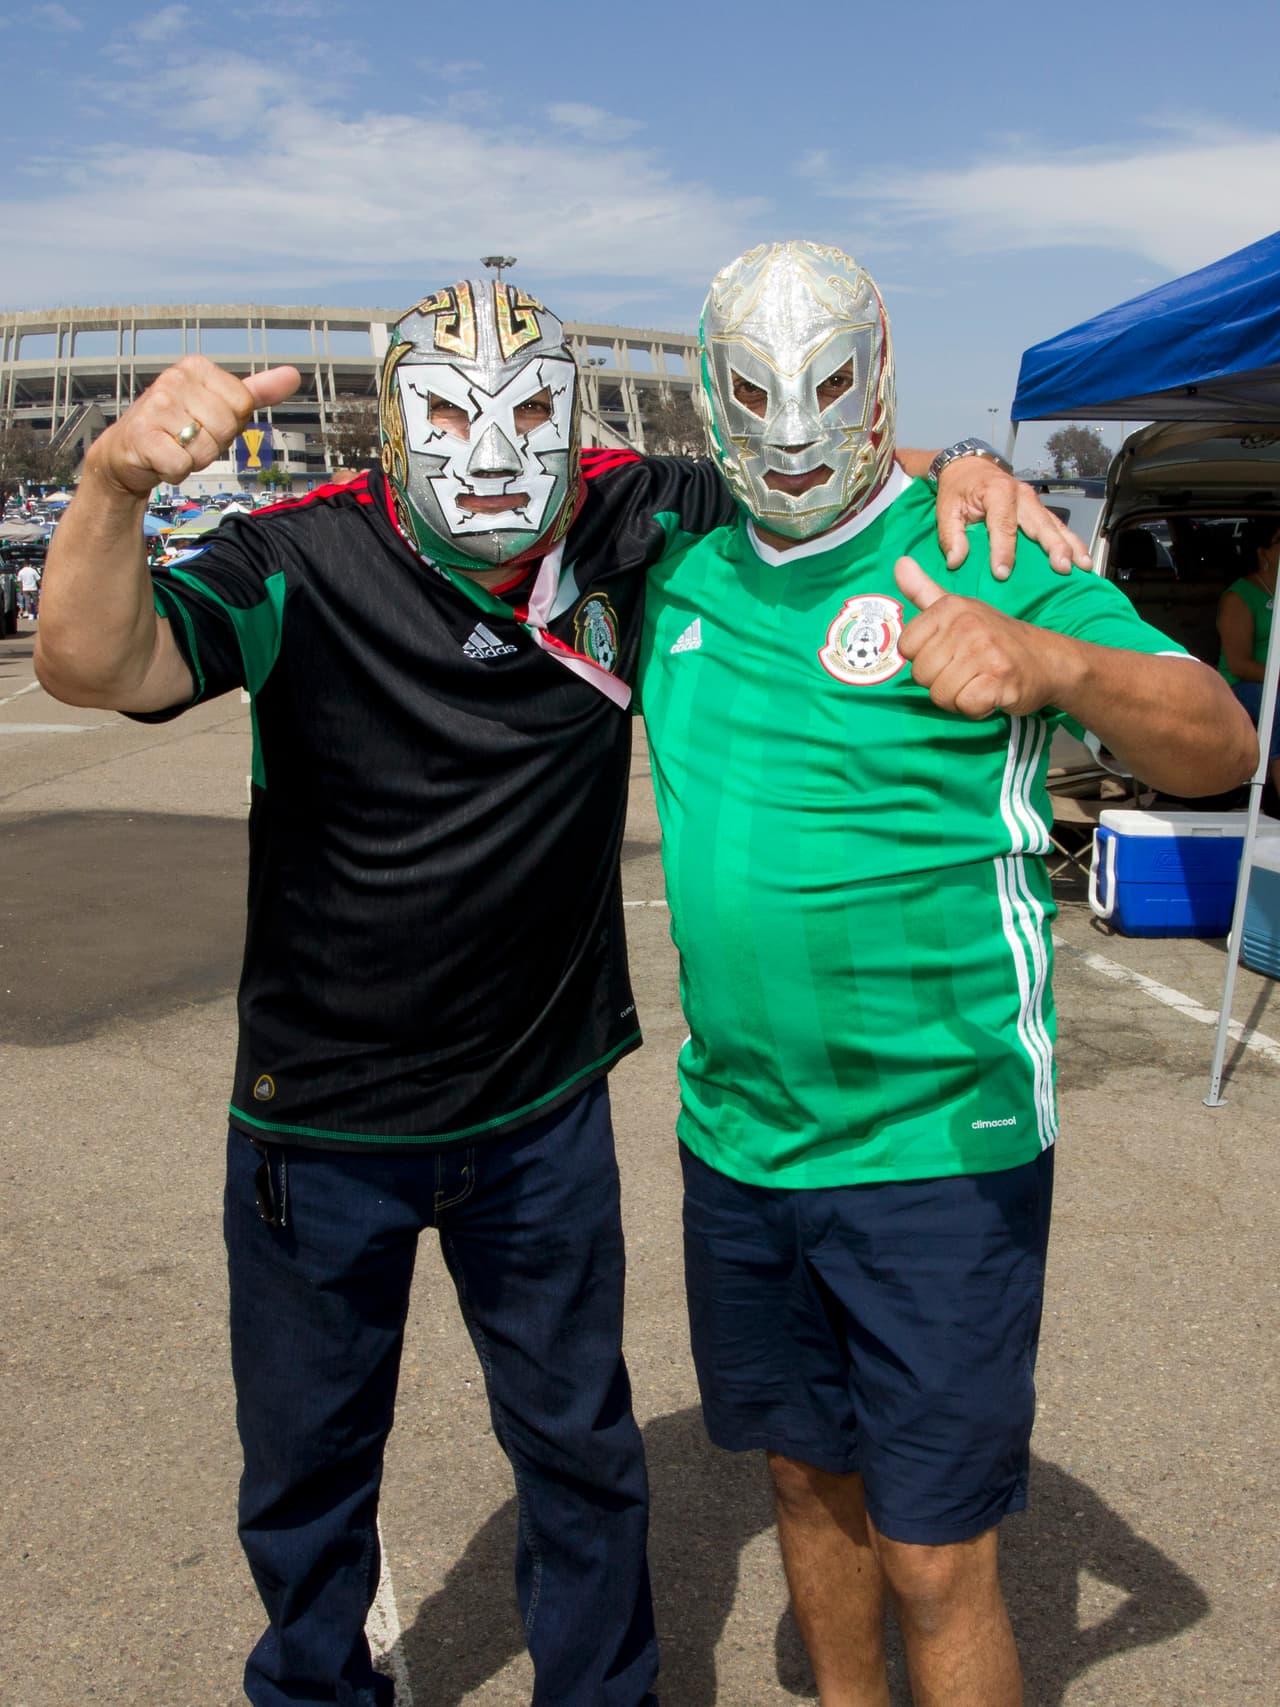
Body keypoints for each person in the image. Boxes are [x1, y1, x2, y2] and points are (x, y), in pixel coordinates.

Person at [35, 273, 1087, 1707]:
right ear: (391, 428)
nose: (493, 454)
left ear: (576, 422)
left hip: (538, 1116)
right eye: (452, 417)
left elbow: (803, 464)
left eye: (531, 415)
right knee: (306, 1466)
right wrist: (111, 484)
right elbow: (92, 661)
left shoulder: (620, 514)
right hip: (321, 1120)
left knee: (580, 1453)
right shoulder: (298, 554)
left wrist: (963, 463)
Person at [636, 242, 1257, 1707]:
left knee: (932, 1554)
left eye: (829, 385)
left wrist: (1054, 663)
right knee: (806, 1485)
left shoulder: (980, 551)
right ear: (709, 397)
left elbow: (1220, 740)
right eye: (755, 392)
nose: (794, 428)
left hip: (939, 1146)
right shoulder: (675, 567)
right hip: (739, 1137)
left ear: (880, 376)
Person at [1216, 516, 1280, 810]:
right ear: (1263, 552)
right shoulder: (1239, 596)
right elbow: (1239, 665)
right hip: (1242, 685)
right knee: (1277, 706)